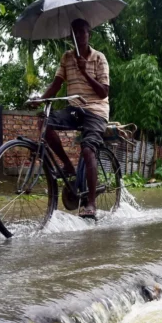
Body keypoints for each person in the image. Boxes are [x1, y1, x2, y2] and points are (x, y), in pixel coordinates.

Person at [34, 18, 110, 219]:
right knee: (44, 122)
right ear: (71, 37)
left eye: (82, 32)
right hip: (75, 108)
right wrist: (40, 100)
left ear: (89, 34)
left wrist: (85, 72)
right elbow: (56, 84)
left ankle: (91, 204)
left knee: (87, 149)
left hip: (96, 110)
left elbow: (103, 92)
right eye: (75, 32)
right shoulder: (67, 57)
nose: (79, 35)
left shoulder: (99, 58)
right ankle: (68, 165)